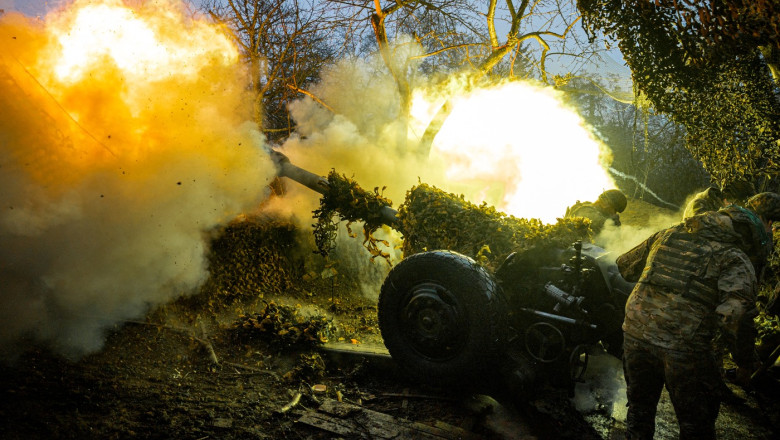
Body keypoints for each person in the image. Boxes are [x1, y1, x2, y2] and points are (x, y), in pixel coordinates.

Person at [616, 192, 780, 440]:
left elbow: (625, 266)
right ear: (763, 226)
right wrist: (745, 363)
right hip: (685, 347)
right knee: (696, 427)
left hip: (635, 334)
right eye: (772, 228)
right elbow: (735, 318)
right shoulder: (735, 258)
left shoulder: (670, 233)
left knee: (639, 413)